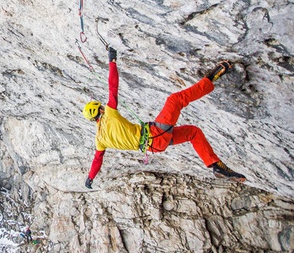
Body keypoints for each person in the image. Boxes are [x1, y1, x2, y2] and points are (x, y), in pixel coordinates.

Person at [83, 47, 246, 189]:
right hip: (155, 134)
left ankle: (216, 165)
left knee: (193, 133)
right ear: (100, 109)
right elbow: (113, 86)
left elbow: (97, 160)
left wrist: (90, 178)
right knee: (175, 100)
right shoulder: (109, 114)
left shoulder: (100, 139)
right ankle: (210, 79)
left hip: (155, 146)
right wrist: (112, 61)